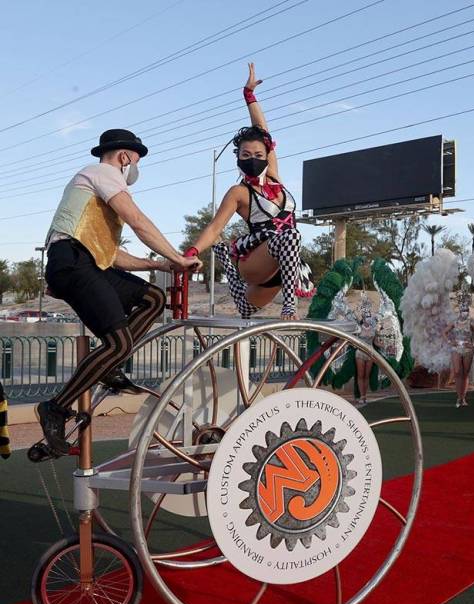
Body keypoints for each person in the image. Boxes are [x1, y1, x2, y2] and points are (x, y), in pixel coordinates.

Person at [38, 129, 201, 456]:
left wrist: (165, 267)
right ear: (125, 157)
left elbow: (112, 257)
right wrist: (178, 257)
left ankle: (110, 365)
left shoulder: (96, 193)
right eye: (136, 161)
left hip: (87, 261)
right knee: (119, 341)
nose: (135, 169)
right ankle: (55, 408)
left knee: (153, 298)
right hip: (71, 262)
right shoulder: (103, 173)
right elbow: (138, 221)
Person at [192, 63, 310, 320]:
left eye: (258, 154)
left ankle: (225, 258)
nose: (253, 158)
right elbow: (214, 228)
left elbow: (264, 132)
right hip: (256, 260)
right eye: (246, 155)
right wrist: (190, 253)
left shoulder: (275, 177)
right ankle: (289, 306)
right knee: (290, 236)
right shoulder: (239, 192)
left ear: (267, 156)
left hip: (284, 267)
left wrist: (249, 95)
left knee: (246, 309)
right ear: (238, 158)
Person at [442, 288, 474, 408]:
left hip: (468, 349)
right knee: (457, 373)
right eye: (462, 310)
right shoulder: (454, 322)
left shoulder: (471, 323)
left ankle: (463, 398)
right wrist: (450, 342)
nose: (464, 312)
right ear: (459, 311)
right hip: (456, 348)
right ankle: (458, 397)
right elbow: (444, 332)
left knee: (465, 374)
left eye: (466, 310)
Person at [352, 292, 377, 405]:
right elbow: (353, 340)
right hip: (360, 353)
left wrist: (385, 346)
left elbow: (376, 341)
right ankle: (361, 396)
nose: (367, 316)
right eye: (364, 313)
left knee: (367, 375)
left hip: (370, 352)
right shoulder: (358, 327)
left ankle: (365, 395)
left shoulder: (373, 328)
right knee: (360, 375)